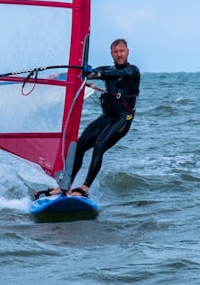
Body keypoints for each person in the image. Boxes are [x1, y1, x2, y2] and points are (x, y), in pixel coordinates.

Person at [37, 38, 140, 199]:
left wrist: (98, 74)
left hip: (122, 119)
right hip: (106, 118)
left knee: (100, 145)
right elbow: (82, 74)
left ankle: (85, 187)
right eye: (116, 52)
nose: (119, 54)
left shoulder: (132, 71)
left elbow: (115, 73)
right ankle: (64, 186)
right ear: (111, 54)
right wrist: (59, 75)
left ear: (128, 52)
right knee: (79, 146)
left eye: (122, 51)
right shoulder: (108, 68)